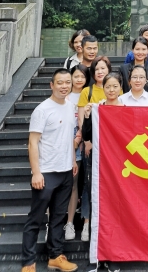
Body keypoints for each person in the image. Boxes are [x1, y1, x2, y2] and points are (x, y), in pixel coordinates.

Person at [20, 68, 78, 272]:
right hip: (46, 172)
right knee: (35, 219)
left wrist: (73, 161)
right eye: (60, 82)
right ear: (52, 85)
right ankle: (28, 262)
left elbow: (68, 137)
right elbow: (32, 143)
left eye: (67, 82)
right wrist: (36, 172)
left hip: (65, 171)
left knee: (58, 217)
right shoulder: (42, 110)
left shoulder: (70, 107)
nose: (64, 86)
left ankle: (55, 256)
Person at [81, 73, 123, 272]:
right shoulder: (98, 109)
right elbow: (87, 135)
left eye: (115, 86)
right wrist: (88, 116)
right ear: (103, 88)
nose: (111, 90)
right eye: (108, 87)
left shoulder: (128, 110)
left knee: (118, 210)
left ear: (120, 88)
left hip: (121, 168)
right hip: (100, 166)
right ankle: (101, 254)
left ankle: (116, 253)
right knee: (101, 208)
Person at [77, 55, 112, 242]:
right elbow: (82, 119)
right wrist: (87, 140)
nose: (100, 72)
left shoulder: (116, 89)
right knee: (88, 184)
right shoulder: (87, 91)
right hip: (91, 145)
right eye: (97, 69)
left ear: (109, 71)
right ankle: (86, 223)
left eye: (103, 68)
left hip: (111, 148)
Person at [64, 64, 89, 241]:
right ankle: (56, 222)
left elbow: (84, 122)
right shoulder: (64, 94)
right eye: (76, 76)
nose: (79, 79)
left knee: (74, 183)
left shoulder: (87, 94)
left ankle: (70, 222)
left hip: (78, 141)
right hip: (62, 138)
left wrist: (78, 139)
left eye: (83, 76)